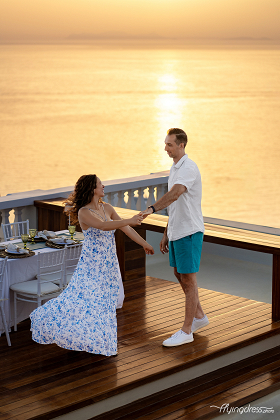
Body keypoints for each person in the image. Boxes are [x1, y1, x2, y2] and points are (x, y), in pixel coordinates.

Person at [30, 174, 154, 356]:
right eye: (100, 184)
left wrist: (144, 243)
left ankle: (102, 342)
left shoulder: (107, 208)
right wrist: (129, 219)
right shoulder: (83, 212)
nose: (103, 186)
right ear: (91, 189)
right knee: (83, 300)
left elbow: (126, 229)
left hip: (109, 264)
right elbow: (103, 226)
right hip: (91, 265)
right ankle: (54, 324)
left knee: (105, 303)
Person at [142, 128, 208, 347]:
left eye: (170, 144)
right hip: (177, 231)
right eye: (165, 144)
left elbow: (176, 193)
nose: (166, 148)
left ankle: (186, 330)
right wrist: (166, 232)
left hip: (189, 231)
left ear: (181, 145)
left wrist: (151, 208)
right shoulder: (175, 168)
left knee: (189, 280)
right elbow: (176, 204)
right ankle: (199, 317)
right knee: (179, 274)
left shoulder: (188, 167)